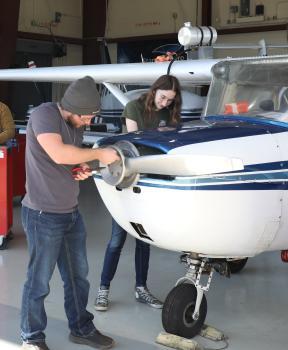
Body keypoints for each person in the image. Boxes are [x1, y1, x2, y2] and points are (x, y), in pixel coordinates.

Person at [21, 76, 120, 350]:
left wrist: (79, 169)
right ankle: (32, 337)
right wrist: (98, 155)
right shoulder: (44, 115)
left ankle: (81, 328)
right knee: (39, 281)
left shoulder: (73, 123)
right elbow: (58, 153)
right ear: (72, 108)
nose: (87, 123)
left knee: (78, 278)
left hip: (70, 213)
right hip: (42, 214)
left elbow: (66, 161)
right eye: (86, 117)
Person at [94, 74, 182, 311]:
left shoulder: (169, 113)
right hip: (128, 179)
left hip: (151, 183)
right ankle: (103, 290)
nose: (165, 103)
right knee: (116, 240)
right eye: (163, 97)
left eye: (170, 100)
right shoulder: (134, 107)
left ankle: (141, 288)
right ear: (154, 91)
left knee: (144, 240)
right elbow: (134, 142)